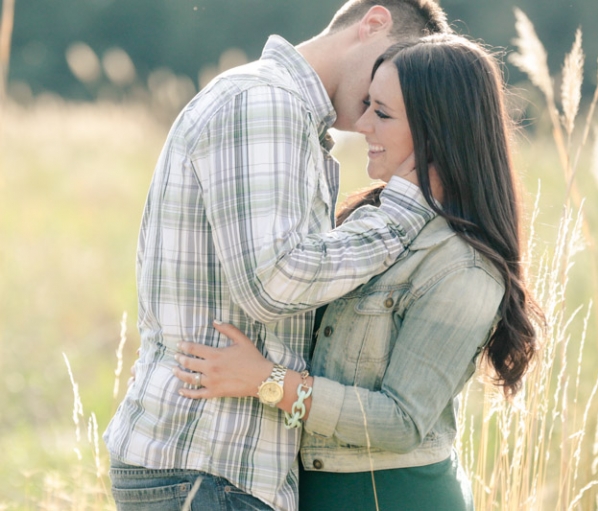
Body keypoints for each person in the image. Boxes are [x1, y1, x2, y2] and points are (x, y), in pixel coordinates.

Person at [172, 34, 543, 511]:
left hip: (393, 496)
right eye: (367, 104)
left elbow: (401, 421)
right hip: (316, 492)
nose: (362, 124)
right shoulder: (370, 225)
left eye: (382, 113)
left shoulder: (463, 265)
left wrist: (268, 381)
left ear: (439, 131)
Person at [103, 2, 450, 510]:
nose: (392, 93)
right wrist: (403, 209)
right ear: (372, 23)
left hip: (211, 468)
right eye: (390, 69)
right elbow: (276, 281)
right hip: (205, 465)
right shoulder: (265, 102)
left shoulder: (286, 114)